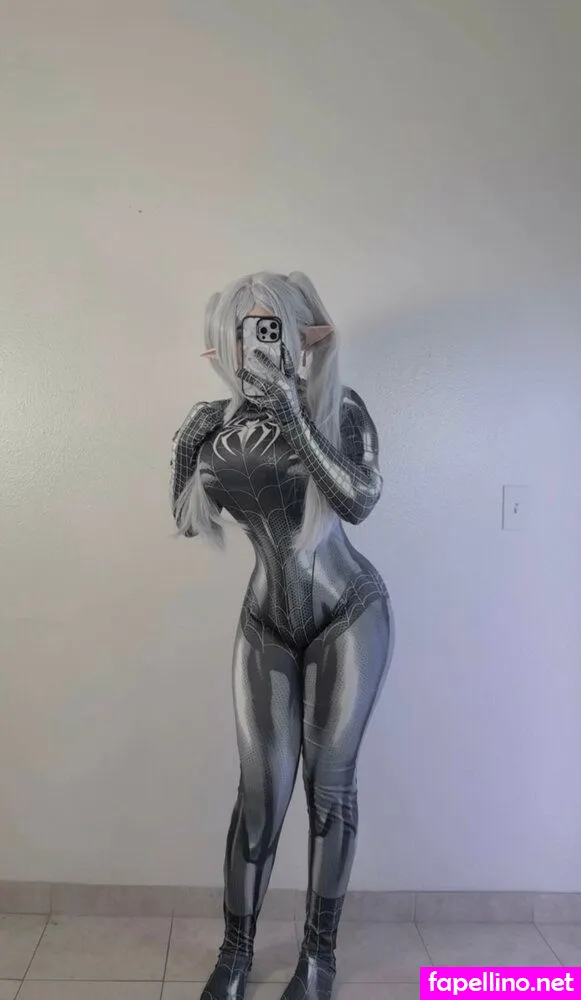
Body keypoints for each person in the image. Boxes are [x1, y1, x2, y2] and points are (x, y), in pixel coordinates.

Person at [170, 271, 395, 1000]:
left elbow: (359, 501)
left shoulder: (339, 408)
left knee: (329, 790)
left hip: (347, 613)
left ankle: (318, 959)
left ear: (303, 336)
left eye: (274, 327)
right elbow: (187, 522)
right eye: (246, 329)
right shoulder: (213, 424)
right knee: (259, 795)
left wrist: (296, 410)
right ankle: (235, 955)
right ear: (227, 341)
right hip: (264, 617)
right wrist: (188, 448)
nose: (259, 342)